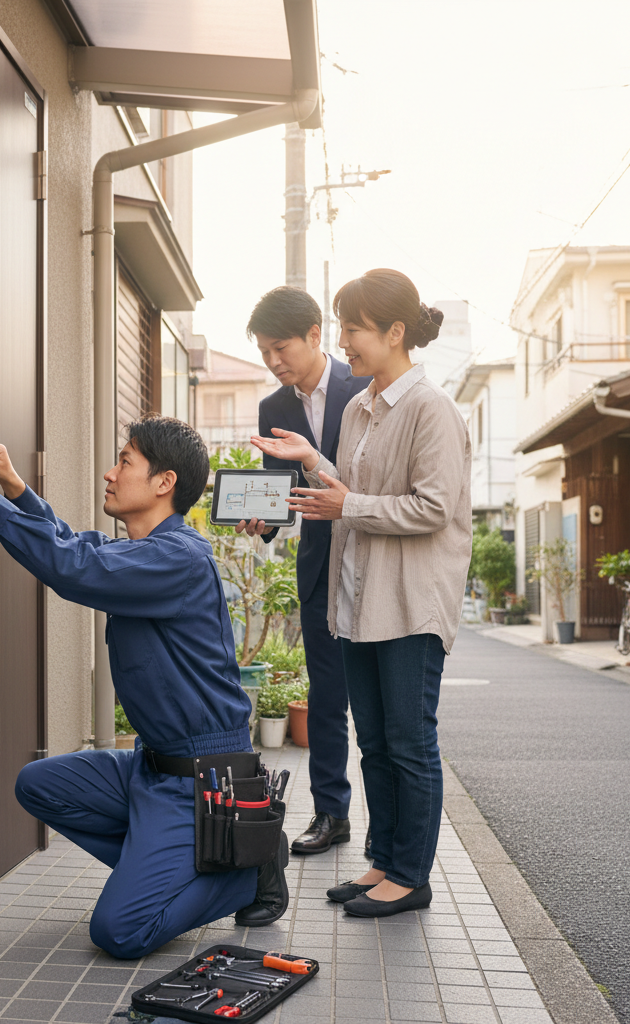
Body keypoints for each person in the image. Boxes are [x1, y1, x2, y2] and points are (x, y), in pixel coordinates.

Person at [0, 415, 289, 959]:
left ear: (163, 482)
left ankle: (247, 871)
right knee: (38, 785)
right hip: (153, 766)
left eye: (125, 462)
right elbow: (78, 547)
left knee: (120, 932)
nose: (110, 472)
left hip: (202, 777)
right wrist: (13, 487)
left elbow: (74, 566)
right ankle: (171, 861)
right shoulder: (145, 553)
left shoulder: (178, 557)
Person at [251, 268, 471, 918]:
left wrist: (345, 497)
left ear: (395, 332)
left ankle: (411, 874)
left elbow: (433, 507)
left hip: (409, 605)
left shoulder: (430, 409)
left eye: (354, 328)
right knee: (374, 744)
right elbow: (350, 487)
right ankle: (382, 863)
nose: (344, 340)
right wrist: (312, 460)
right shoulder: (360, 407)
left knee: (408, 743)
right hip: (357, 603)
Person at [237, 286, 372, 857]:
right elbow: (280, 496)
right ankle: (331, 814)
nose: (274, 361)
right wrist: (261, 522)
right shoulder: (275, 409)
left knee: (377, 703)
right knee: (325, 699)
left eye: (281, 347)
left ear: (316, 335)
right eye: (265, 351)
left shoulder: (367, 387)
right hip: (319, 567)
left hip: (374, 557)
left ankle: (385, 829)